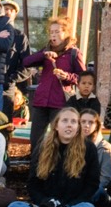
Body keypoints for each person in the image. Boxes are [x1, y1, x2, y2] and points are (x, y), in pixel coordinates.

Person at [1, 103, 104, 207]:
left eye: (73, 121)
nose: (69, 124)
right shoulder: (43, 148)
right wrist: (45, 202)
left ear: (78, 127)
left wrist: (69, 205)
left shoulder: (88, 148)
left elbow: (92, 184)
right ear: (56, 125)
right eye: (65, 120)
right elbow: (33, 184)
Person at [20, 19, 87, 156]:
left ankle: (57, 170)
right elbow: (26, 62)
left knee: (59, 139)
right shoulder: (46, 50)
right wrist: (44, 54)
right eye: (51, 32)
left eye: (57, 31)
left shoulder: (74, 53)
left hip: (60, 103)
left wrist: (66, 76)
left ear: (66, 33)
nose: (53, 35)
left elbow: (82, 78)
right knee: (36, 139)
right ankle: (35, 170)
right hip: (41, 102)